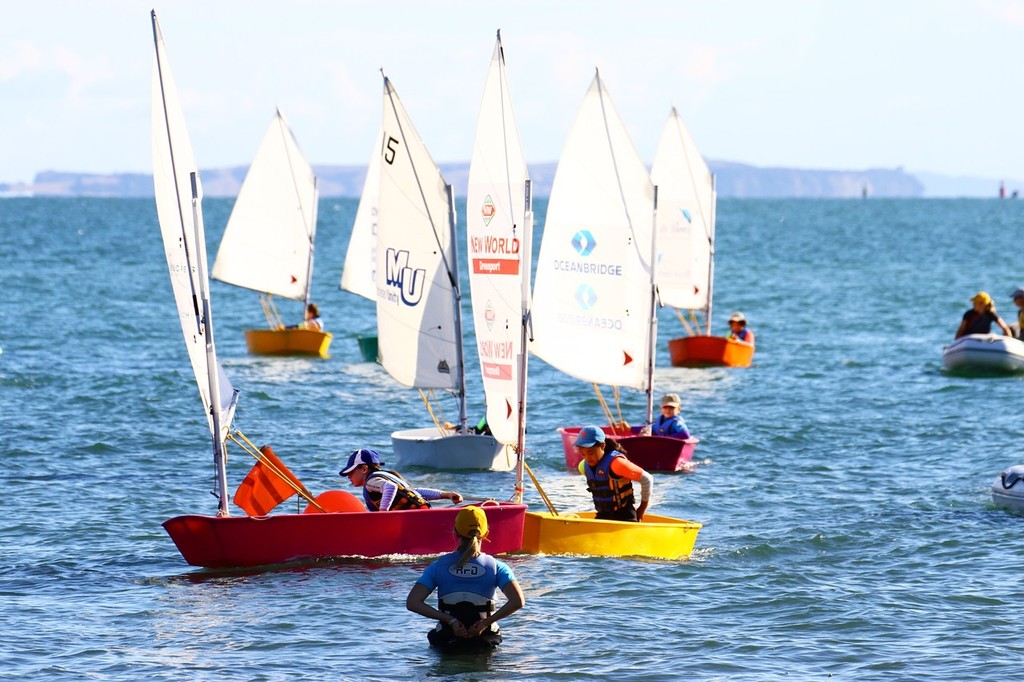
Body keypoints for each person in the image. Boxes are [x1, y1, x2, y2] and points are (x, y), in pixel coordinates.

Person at [406, 505, 524, 649]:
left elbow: (412, 602)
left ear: (455, 532)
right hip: (484, 639)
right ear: (486, 533)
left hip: (448, 638)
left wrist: (450, 620)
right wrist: (485, 623)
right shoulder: (496, 567)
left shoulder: (438, 566)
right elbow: (517, 601)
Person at [340, 449, 463, 511]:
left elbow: (390, 488)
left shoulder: (371, 482)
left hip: (414, 519)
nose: (348, 476)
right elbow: (416, 492)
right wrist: (446, 495)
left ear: (364, 469)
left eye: (350, 472)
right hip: (423, 512)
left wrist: (383, 514)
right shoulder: (392, 476)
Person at [574, 426, 653, 522]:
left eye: (590, 453)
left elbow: (647, 479)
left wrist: (642, 509)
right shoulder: (583, 467)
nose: (587, 458)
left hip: (625, 516)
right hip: (603, 516)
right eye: (583, 454)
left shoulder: (617, 464)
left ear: (602, 446)